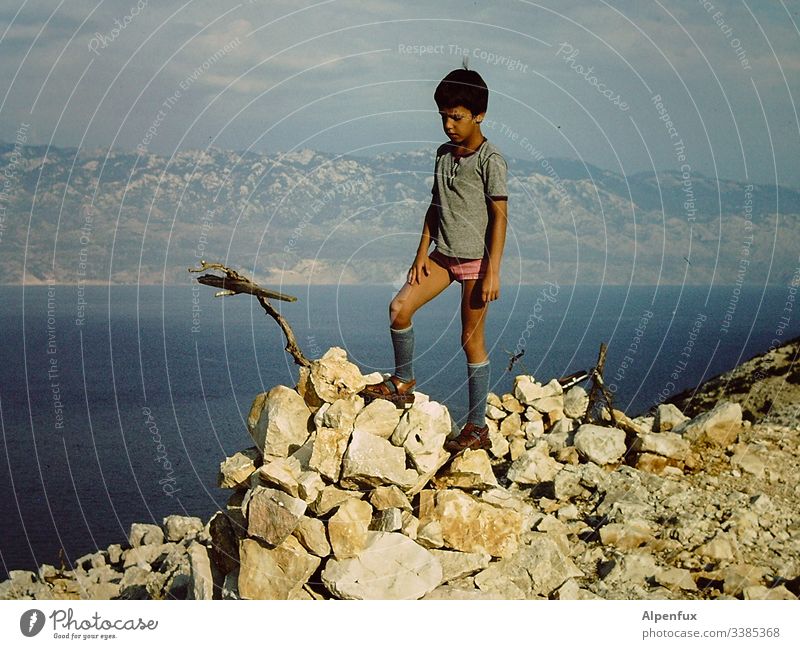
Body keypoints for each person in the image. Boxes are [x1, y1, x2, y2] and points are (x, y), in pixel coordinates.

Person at [362, 66, 508, 453]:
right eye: (443, 115)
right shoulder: (443, 155)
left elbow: (499, 217)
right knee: (399, 307)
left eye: (456, 117)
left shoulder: (491, 159)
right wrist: (420, 254)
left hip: (477, 263)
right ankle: (402, 383)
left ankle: (477, 427)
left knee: (470, 341)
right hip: (442, 257)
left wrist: (493, 270)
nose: (448, 124)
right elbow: (434, 205)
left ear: (479, 115)